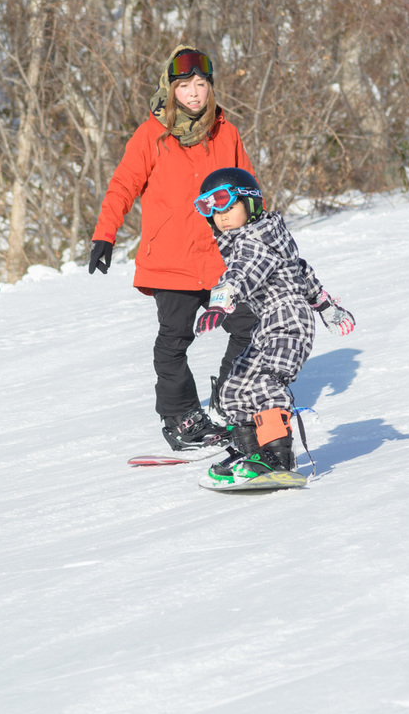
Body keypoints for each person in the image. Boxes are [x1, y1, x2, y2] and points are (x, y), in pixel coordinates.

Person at [89, 46, 256, 451]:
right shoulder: (152, 135)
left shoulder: (226, 132)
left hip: (220, 258)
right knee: (175, 338)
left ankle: (227, 400)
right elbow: (124, 185)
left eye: (201, 85)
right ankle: (181, 417)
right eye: (185, 86)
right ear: (170, 88)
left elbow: (249, 188)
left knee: (250, 325)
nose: (195, 94)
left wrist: (259, 231)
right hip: (171, 259)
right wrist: (104, 234)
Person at [192, 167, 355, 485]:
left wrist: (220, 304)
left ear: (250, 203)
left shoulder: (255, 243)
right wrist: (327, 308)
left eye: (227, 205)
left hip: (288, 323)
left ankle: (277, 458)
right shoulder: (263, 239)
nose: (220, 217)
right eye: (210, 209)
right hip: (267, 325)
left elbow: (240, 274)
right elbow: (301, 273)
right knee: (235, 387)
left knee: (265, 382)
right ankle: (250, 454)